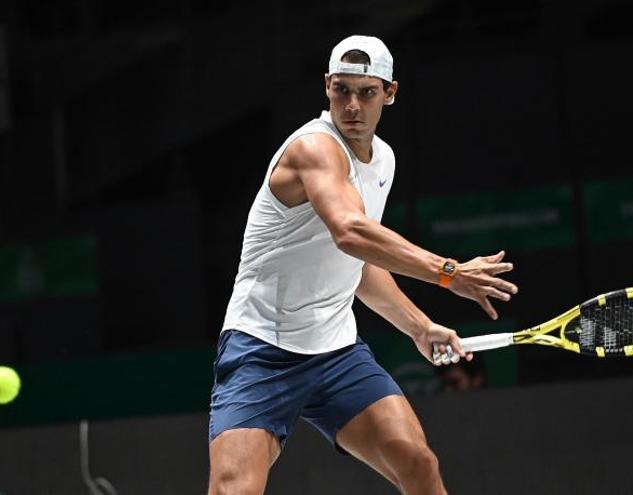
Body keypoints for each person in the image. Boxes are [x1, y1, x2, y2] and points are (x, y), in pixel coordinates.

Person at [207, 35, 517, 495]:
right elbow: (350, 232)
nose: (352, 105)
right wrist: (448, 272)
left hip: (335, 352)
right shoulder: (313, 148)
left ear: (390, 93)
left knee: (418, 462)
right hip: (262, 348)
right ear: (327, 87)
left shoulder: (383, 160)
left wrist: (418, 326)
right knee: (234, 491)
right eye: (342, 90)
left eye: (367, 92)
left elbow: (359, 261)